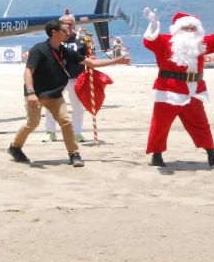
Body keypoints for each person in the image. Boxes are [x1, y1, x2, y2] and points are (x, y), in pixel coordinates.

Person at [8, 19, 131, 167]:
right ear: (54, 32)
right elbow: (28, 72)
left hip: (55, 95)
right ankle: (15, 147)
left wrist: (116, 61)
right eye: (65, 31)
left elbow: (90, 63)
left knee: (66, 122)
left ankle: (74, 154)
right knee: (32, 124)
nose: (69, 33)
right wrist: (31, 93)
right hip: (36, 94)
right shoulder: (38, 49)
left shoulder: (63, 50)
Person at [142, 7, 214, 168]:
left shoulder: (200, 44)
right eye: (186, 28)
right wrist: (153, 24)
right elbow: (150, 41)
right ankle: (156, 155)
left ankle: (212, 154)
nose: (190, 31)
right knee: (160, 125)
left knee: (200, 123)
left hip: (194, 90)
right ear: (177, 29)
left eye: (193, 28)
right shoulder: (165, 41)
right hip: (168, 91)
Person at [42, 12, 88, 143]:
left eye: (71, 23)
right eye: (65, 23)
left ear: (74, 25)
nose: (68, 26)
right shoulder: (55, 39)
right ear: (60, 25)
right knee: (51, 105)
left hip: (76, 78)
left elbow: (88, 57)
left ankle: (77, 133)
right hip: (57, 78)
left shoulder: (82, 40)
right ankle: (50, 132)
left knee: (77, 106)